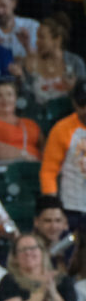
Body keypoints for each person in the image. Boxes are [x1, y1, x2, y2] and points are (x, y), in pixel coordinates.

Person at [0, 235, 79, 301]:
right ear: (15, 258)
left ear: (43, 252)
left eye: (33, 248)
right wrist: (41, 293)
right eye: (22, 250)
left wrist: (53, 294)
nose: (28, 252)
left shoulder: (63, 280)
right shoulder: (9, 281)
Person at [40, 80, 86, 224]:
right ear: (74, 103)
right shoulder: (62, 129)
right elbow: (49, 170)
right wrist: (53, 205)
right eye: (82, 104)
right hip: (72, 205)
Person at [0, 79, 43, 163]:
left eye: (9, 95)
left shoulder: (30, 123)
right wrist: (23, 155)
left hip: (37, 166)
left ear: (16, 99)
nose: (5, 99)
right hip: (6, 168)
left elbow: (45, 147)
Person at [22, 16, 86, 106]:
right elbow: (25, 98)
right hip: (38, 117)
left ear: (57, 39)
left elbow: (83, 96)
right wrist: (20, 78)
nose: (37, 42)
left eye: (41, 37)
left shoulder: (75, 63)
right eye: (37, 37)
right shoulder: (32, 63)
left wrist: (73, 88)